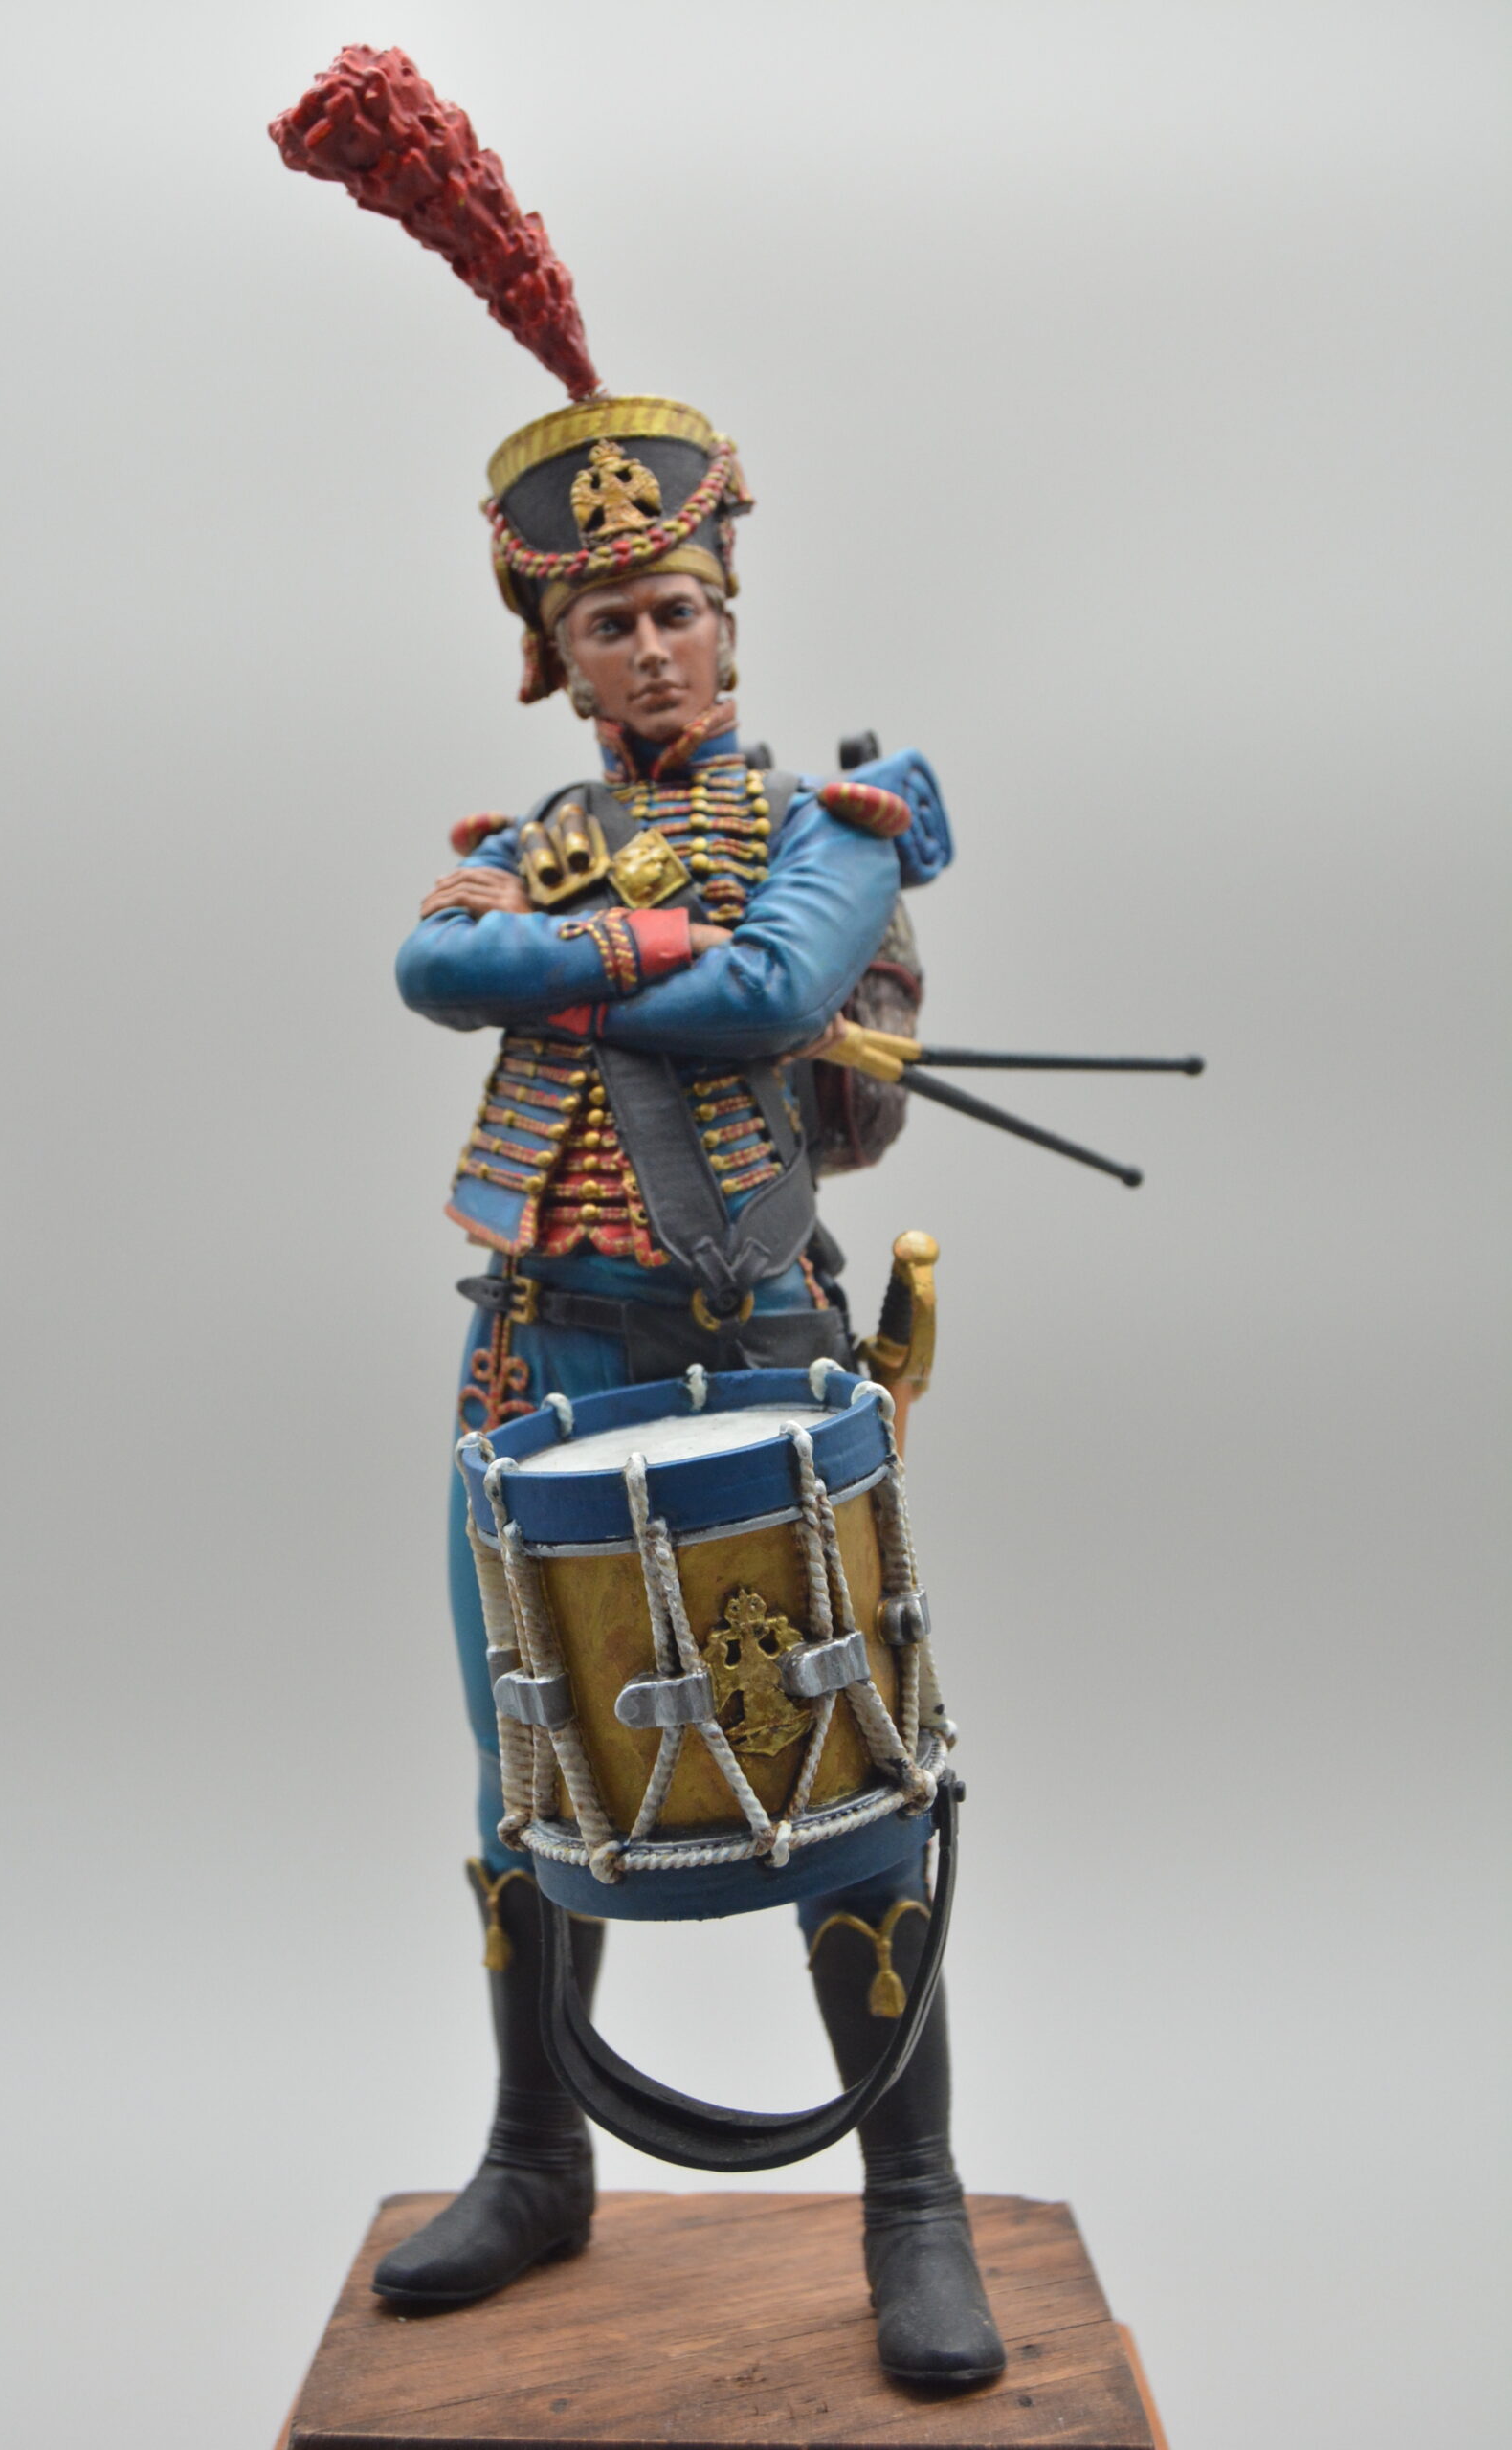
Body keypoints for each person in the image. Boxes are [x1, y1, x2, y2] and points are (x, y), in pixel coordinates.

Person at [367, 391, 1007, 2391]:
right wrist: (639, 933)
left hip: (745, 1337)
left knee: (841, 1755)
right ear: (556, 659)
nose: (648, 650)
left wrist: (559, 950)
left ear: (725, 621)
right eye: (606, 624)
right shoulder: (524, 843)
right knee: (521, 1760)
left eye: (673, 612)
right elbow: (427, 968)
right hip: (534, 1338)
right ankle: (533, 2152)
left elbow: (771, 995)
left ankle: (914, 2199)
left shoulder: (830, 830)